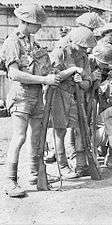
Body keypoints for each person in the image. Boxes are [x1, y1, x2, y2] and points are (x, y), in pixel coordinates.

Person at [1, 3, 62, 197]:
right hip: (21, 96)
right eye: (38, 24)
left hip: (37, 96)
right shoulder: (12, 42)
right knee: (19, 137)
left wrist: (51, 72)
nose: (40, 27)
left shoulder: (32, 42)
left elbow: (41, 66)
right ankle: (10, 181)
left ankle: (35, 174)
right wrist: (45, 79)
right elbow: (14, 73)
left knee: (37, 137)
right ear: (27, 22)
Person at [50, 26, 97, 179]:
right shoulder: (60, 52)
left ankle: (81, 165)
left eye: (87, 48)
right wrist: (73, 71)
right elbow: (52, 77)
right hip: (59, 94)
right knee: (60, 130)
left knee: (80, 129)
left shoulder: (84, 57)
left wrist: (82, 81)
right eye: (83, 47)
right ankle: (63, 166)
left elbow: (88, 81)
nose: (85, 51)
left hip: (77, 96)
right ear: (73, 42)